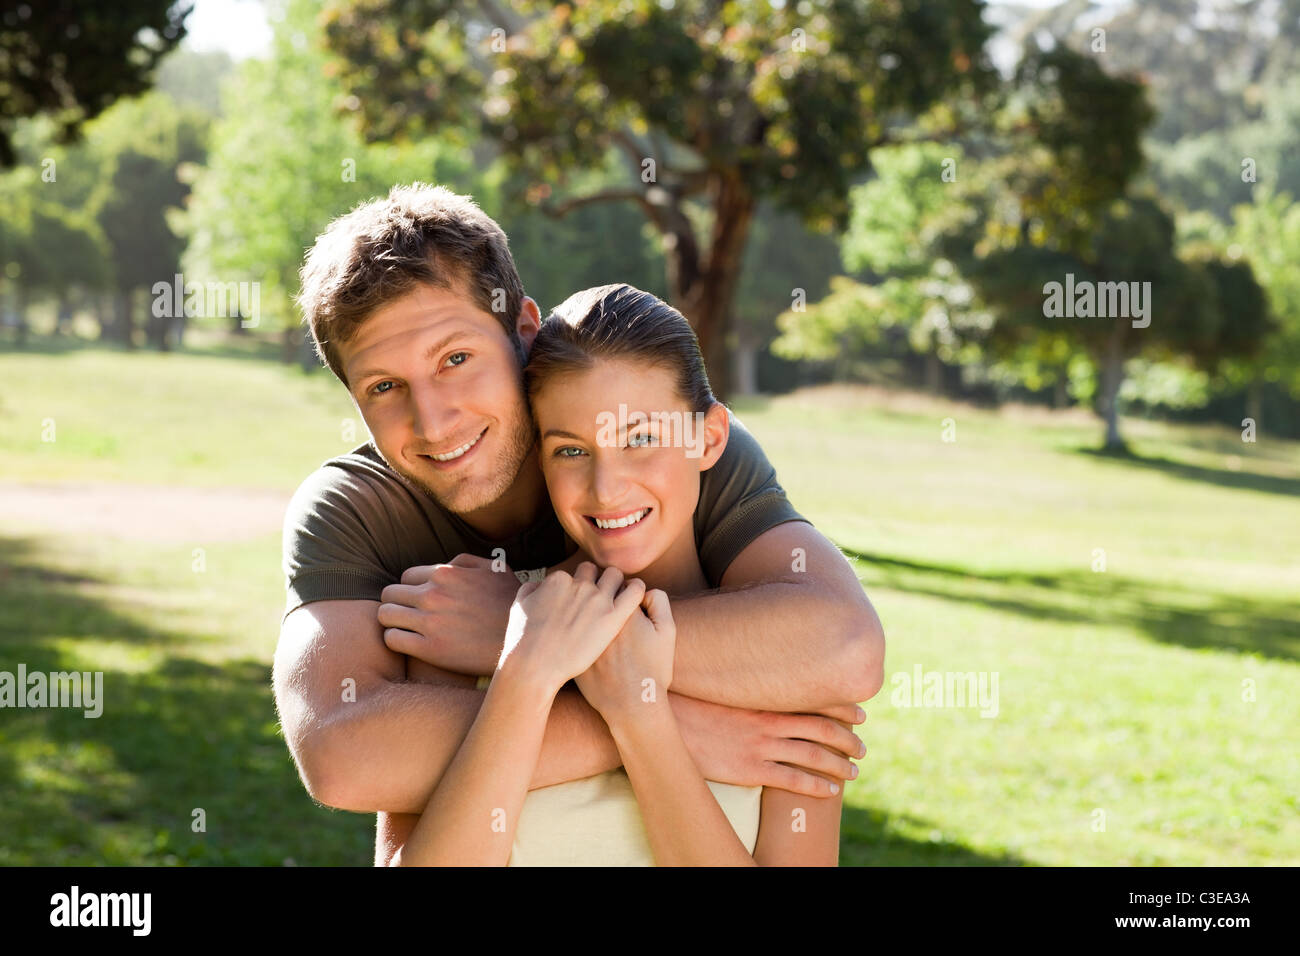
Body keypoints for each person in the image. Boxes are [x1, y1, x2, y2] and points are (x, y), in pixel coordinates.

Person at [272, 183, 884, 865]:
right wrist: (642, 713)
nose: (434, 419)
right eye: (384, 387)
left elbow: (846, 648)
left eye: (456, 358)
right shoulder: (364, 518)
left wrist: (516, 622)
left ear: (523, 332)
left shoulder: (666, 438)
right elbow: (344, 758)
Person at [388, 284, 843, 864]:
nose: (606, 488)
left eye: (641, 439)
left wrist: (640, 716)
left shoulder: (790, 669)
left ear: (709, 438)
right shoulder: (463, 624)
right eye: (570, 451)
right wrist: (525, 674)